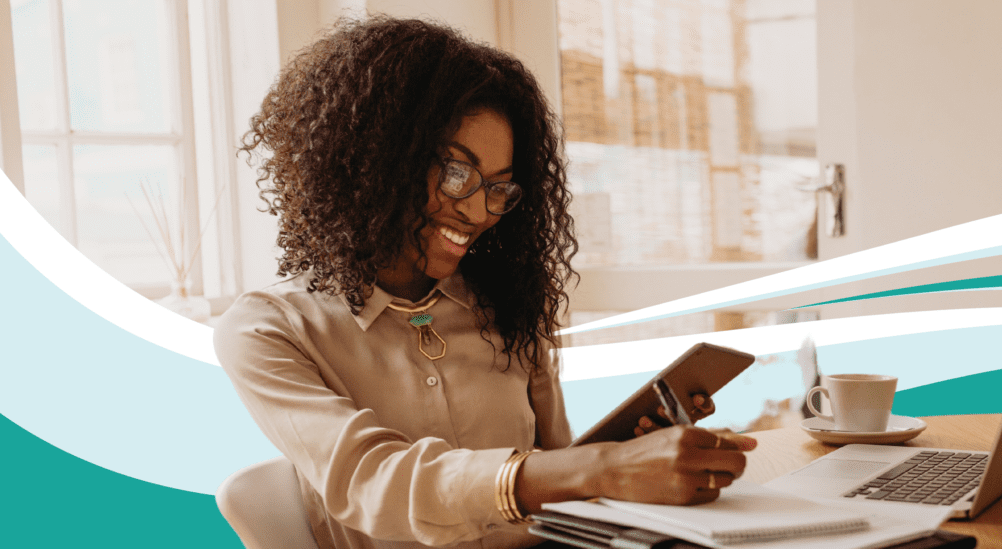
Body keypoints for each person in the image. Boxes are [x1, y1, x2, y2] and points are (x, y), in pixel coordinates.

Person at [215, 15, 756, 549]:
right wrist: (601, 468)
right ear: (374, 159)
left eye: (500, 188)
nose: (478, 211)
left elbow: (560, 485)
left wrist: (635, 457)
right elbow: (375, 481)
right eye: (456, 172)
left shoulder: (505, 306)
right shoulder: (269, 330)